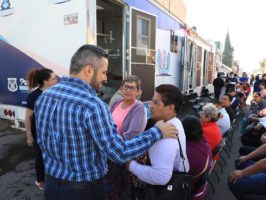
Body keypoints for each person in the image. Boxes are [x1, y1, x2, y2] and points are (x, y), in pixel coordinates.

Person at [34, 45, 178, 200]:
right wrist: (157, 132)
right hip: (83, 190)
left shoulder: (45, 96)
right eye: (103, 72)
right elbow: (118, 152)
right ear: (89, 70)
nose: (105, 78)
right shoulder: (92, 106)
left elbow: (42, 141)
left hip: (52, 184)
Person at [127, 84, 189, 191]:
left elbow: (160, 177)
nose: (150, 105)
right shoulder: (174, 122)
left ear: (170, 108)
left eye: (156, 103)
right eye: (152, 101)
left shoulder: (167, 135)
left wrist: (131, 166)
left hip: (162, 192)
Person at [106, 75, 147, 200]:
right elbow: (106, 124)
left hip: (124, 156)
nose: (128, 90)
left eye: (132, 88)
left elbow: (131, 135)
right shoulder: (117, 104)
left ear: (138, 91)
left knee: (122, 190)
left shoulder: (139, 108)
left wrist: (108, 140)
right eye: (126, 87)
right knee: (109, 188)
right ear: (121, 88)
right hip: (110, 152)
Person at [25, 68, 57, 190]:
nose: (56, 80)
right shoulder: (34, 96)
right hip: (38, 133)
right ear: (46, 81)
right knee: (40, 156)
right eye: (54, 78)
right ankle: (41, 180)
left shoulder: (55, 94)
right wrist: (29, 135)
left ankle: (51, 177)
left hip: (51, 132)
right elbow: (28, 117)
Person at [182, 116, 212, 200]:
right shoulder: (203, 142)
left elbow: (172, 174)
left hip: (189, 191)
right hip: (200, 188)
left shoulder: (188, 153)